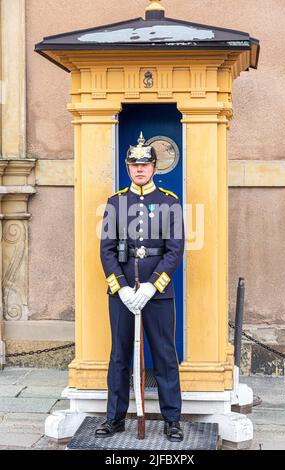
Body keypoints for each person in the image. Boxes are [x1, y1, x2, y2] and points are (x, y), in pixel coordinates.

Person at [95, 132, 185, 442]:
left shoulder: (169, 202)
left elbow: (174, 251)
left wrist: (152, 287)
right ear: (128, 167)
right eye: (134, 164)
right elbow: (106, 250)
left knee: (164, 354)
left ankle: (173, 419)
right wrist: (120, 288)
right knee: (119, 356)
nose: (139, 169)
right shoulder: (116, 202)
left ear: (154, 167)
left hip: (157, 293)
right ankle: (115, 418)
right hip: (123, 294)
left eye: (145, 164)